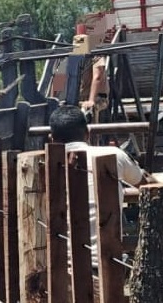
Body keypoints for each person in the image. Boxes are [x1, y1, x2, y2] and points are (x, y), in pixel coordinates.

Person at [47, 104, 149, 265]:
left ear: (51, 138)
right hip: (107, 263)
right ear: (87, 133)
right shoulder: (114, 155)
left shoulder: (43, 165)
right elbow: (145, 185)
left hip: (59, 265)